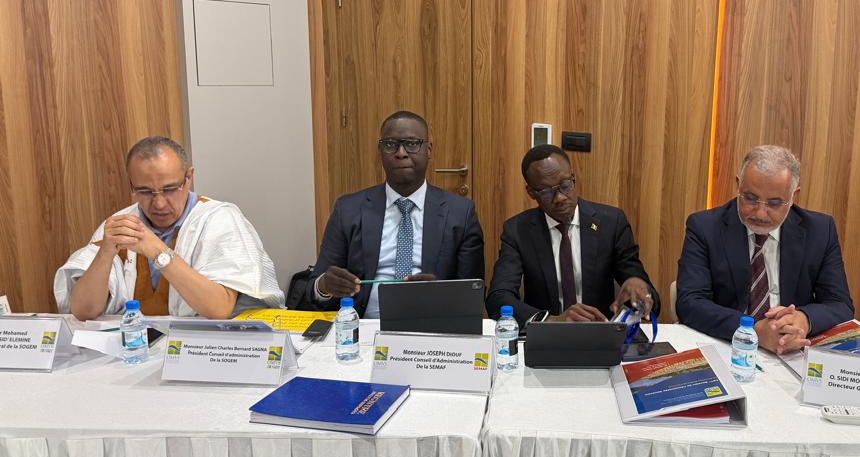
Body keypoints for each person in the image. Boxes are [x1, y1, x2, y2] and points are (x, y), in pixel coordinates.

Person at [55, 137, 284, 320]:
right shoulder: (121, 223)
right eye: (145, 191)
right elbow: (83, 311)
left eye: (169, 189)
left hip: (205, 349)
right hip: (136, 350)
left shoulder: (218, 219)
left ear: (189, 178)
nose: (159, 203)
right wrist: (105, 254)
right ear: (132, 186)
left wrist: (158, 252)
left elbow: (219, 308)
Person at [676, 145, 854, 353]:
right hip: (728, 346)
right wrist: (753, 331)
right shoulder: (705, 227)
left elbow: (840, 304)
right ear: (738, 185)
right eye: (750, 198)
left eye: (774, 203)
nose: (760, 213)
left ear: (793, 196)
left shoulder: (820, 231)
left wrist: (804, 319)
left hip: (792, 349)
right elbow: (689, 303)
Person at [308, 111, 484, 315]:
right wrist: (325, 286)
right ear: (380, 151)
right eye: (390, 144)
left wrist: (438, 293)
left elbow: (473, 295)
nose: (401, 153)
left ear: (428, 150)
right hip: (362, 324)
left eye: (412, 143)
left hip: (433, 324)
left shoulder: (460, 213)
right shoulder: (348, 209)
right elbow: (315, 288)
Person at [487, 144, 659, 326]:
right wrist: (551, 320)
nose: (560, 197)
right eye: (546, 192)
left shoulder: (611, 223)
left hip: (600, 333)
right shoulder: (517, 231)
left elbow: (650, 297)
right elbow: (498, 298)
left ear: (573, 177)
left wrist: (639, 288)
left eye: (565, 185)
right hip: (547, 336)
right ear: (531, 192)